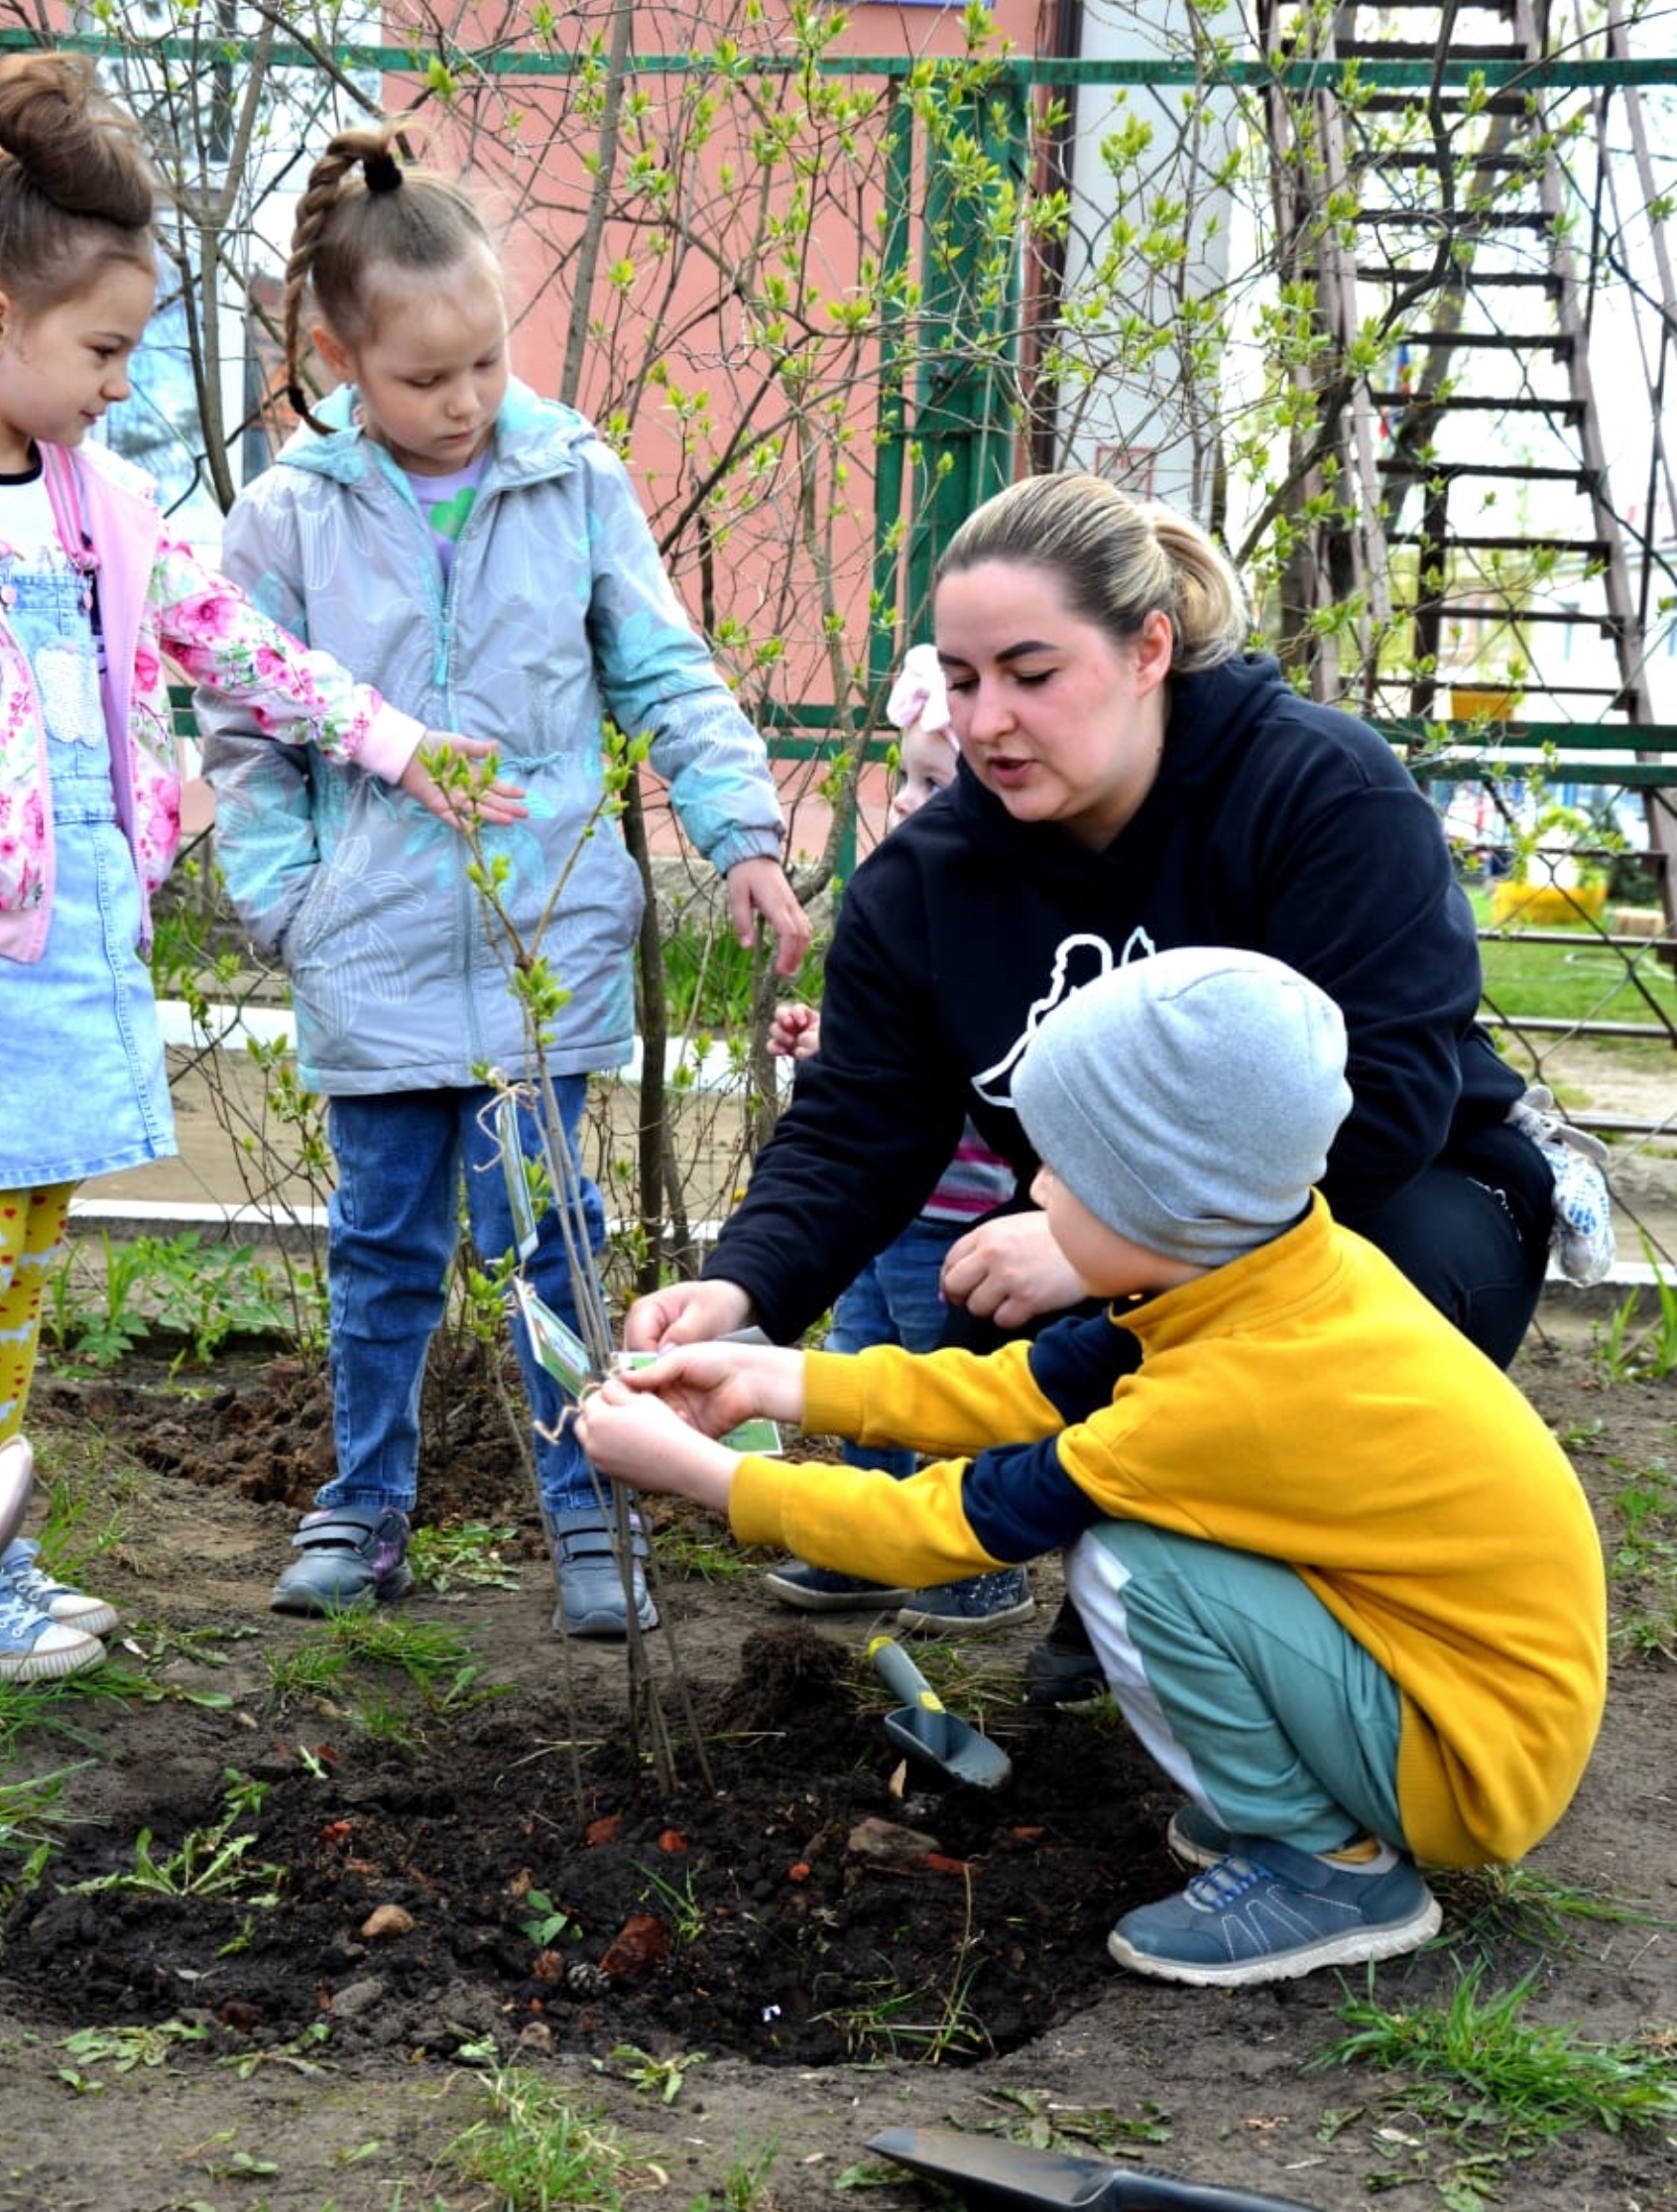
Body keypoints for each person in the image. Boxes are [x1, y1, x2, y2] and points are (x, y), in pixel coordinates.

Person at [0, 55, 494, 1681]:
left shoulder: (99, 502)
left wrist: (394, 742)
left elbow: (229, 640)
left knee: (25, 1250)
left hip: (83, 928)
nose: (121, 383)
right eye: (103, 350)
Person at [623, 469, 1569, 1704]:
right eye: (961, 682)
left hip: (1409, 1204)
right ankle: (1143, 1580)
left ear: (1147, 649)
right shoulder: (931, 885)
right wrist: (740, 1291)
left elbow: (1386, 1098)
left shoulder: (1318, 793)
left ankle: (1313, 1618)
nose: (988, 720)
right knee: (989, 1318)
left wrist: (1109, 1252)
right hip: (1110, 1236)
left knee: (1348, 1301)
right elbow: (858, 1128)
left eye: (1031, 672)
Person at [583, 949, 1608, 1988]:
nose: (1035, 1184)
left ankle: (1327, 1866)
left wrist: (703, 1475)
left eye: (1065, 1169)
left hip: (1468, 1759)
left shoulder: (1224, 1396)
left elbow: (943, 1527)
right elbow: (1020, 1389)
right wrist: (776, 1385)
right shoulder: (1274, 1270)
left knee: (1126, 1567)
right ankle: (1309, 1799)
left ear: (1161, 1204)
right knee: (1151, 1549)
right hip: (1461, 1689)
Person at [200, 124, 808, 1635]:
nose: (464, 401)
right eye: (423, 377)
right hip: (378, 957)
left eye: (485, 362)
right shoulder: (286, 516)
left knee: (551, 1249)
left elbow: (666, 669)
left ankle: (593, 1522)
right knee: (385, 1252)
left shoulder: (572, 478)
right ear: (341, 357)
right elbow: (244, 728)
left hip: (546, 957)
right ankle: (362, 1512)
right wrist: (293, 903)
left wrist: (740, 833)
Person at [763, 646, 1030, 1634]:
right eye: (907, 779)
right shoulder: (909, 898)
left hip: (959, 1219)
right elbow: (887, 1071)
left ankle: (977, 1556)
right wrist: (826, 1053)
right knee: (862, 1372)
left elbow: (978, 1065)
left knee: (947, 1388)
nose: (913, 803)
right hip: (882, 1217)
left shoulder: (1001, 923)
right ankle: (869, 1537)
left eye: (937, 781)